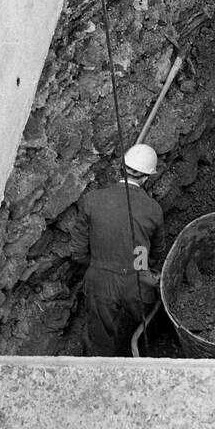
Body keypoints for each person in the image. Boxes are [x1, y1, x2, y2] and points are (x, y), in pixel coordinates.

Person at [72, 141, 166, 356]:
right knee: (147, 323)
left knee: (100, 340)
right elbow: (157, 251)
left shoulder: (92, 200)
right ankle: (147, 350)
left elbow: (77, 253)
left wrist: (101, 265)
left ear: (120, 168)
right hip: (138, 279)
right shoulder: (153, 209)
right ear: (146, 177)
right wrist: (140, 266)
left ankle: (104, 369)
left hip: (100, 280)